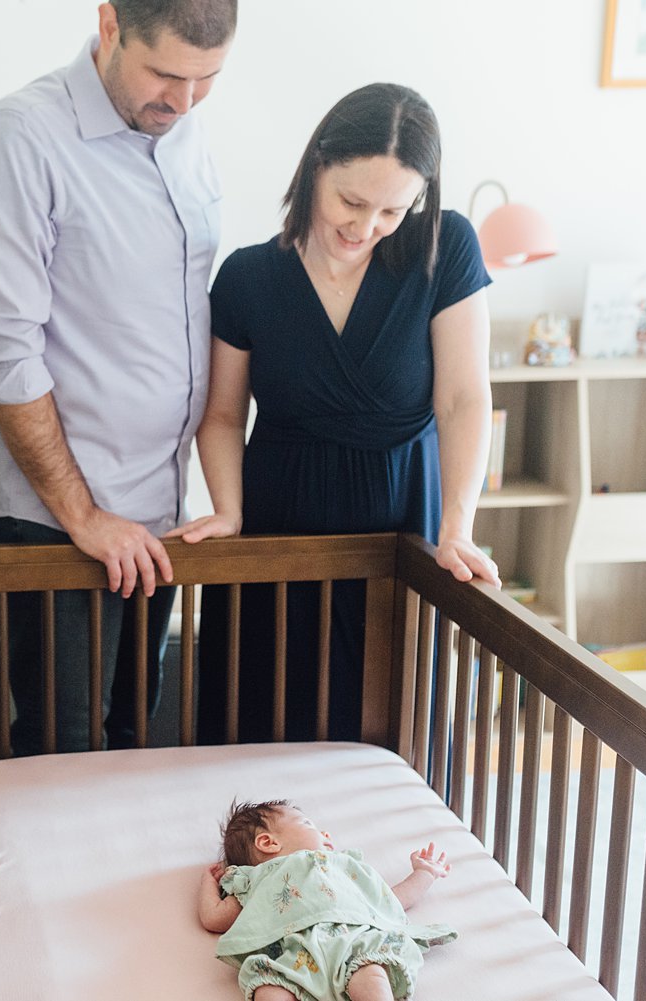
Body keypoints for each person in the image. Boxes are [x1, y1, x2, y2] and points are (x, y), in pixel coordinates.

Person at [167, 83, 501, 744]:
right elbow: (224, 415)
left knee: (390, 729)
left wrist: (457, 525)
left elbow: (463, 399)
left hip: (403, 526)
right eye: (352, 201)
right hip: (277, 533)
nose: (366, 226)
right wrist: (230, 511)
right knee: (260, 720)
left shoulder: (445, 247)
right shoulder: (248, 277)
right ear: (316, 166)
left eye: (391, 210)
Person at [0, 1, 236, 755]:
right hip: (57, 518)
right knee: (63, 751)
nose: (182, 101)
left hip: (154, 513)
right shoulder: (21, 139)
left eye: (207, 79)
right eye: (166, 75)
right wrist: (84, 515)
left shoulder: (183, 130)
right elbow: (5, 352)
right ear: (109, 26)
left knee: (130, 734)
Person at [197, 799, 455, 1001]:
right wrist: (208, 883)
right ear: (268, 842)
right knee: (269, 988)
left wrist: (425, 873)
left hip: (352, 943)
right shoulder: (256, 880)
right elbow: (214, 917)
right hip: (291, 955)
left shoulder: (340, 866)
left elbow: (389, 899)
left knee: (371, 973)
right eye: (309, 825)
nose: (326, 834)